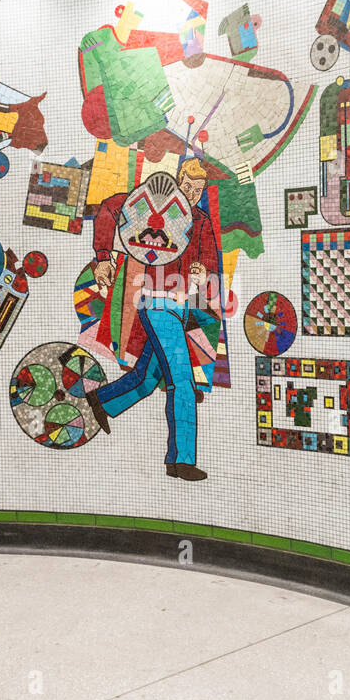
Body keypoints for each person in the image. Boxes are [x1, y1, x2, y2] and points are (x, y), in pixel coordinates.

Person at [85, 158, 219, 481]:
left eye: (197, 189)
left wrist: (203, 270)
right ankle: (181, 460)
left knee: (146, 380)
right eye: (187, 185)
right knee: (182, 382)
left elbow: (210, 258)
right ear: (177, 179)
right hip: (157, 304)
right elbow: (109, 210)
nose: (190, 192)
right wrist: (103, 256)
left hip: (181, 307)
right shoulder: (152, 204)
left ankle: (102, 401)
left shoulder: (199, 221)